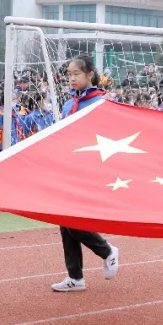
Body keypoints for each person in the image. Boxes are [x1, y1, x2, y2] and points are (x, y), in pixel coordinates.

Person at [50, 54, 120, 292]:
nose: (71, 79)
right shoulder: (69, 103)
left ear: (90, 74)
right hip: (68, 166)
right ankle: (75, 277)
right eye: (69, 74)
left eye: (76, 74)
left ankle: (106, 250)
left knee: (70, 218)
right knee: (63, 219)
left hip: (89, 167)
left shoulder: (102, 102)